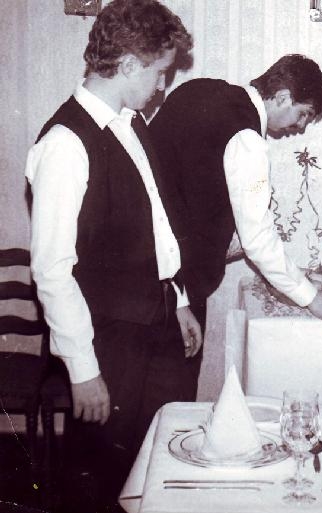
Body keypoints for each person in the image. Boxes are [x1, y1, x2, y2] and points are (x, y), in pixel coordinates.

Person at [25, 1, 194, 509]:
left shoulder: (130, 122)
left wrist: (179, 299)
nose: (161, 86)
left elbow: (157, 224)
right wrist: (83, 369)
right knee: (104, 485)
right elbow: (53, 271)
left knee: (158, 471)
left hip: (156, 325)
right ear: (129, 65)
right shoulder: (65, 143)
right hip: (110, 343)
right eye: (160, 73)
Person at [148, 54, 322, 326]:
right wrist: (311, 297)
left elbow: (204, 206)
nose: (301, 126)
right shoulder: (247, 139)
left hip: (144, 269)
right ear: (282, 97)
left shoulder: (198, 89)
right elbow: (257, 238)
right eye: (303, 113)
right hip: (177, 291)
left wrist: (291, 276)